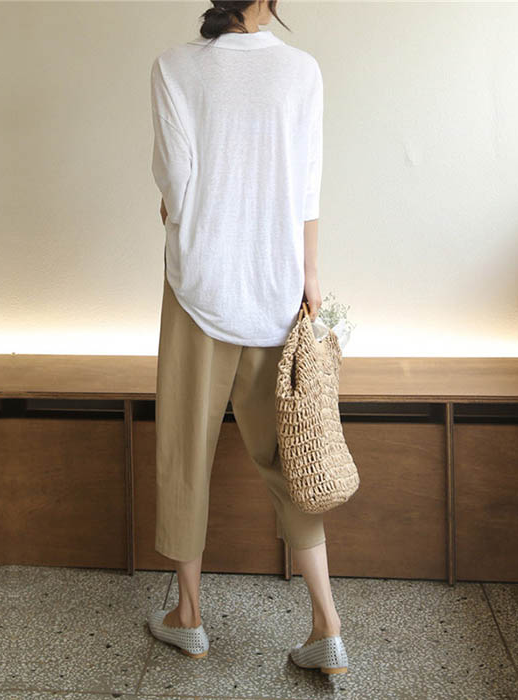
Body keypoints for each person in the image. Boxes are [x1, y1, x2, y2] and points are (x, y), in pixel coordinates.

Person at [146, 0, 348, 675]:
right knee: (292, 454)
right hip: (276, 286)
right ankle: (327, 626)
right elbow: (308, 189)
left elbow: (176, 187)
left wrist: (181, 209)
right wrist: (309, 279)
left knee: (185, 451)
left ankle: (189, 617)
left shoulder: (174, 67)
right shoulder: (301, 71)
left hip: (198, 285)